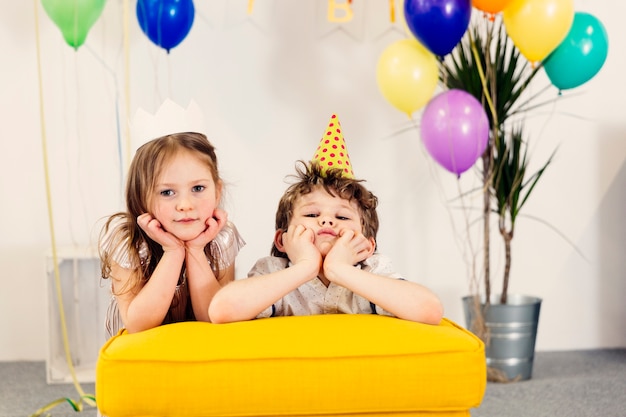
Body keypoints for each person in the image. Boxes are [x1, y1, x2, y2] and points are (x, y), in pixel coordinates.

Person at [209, 115, 442, 325]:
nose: (327, 222)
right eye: (312, 215)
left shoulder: (372, 271)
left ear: (367, 246)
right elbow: (222, 310)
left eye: (341, 216)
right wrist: (305, 267)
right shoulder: (274, 271)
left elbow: (429, 310)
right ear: (282, 239)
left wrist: (339, 269)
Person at [99, 132, 245, 337]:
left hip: (198, 348)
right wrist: (173, 251)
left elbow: (214, 317)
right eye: (167, 192)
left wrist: (195, 249)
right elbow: (138, 326)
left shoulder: (222, 237)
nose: (185, 205)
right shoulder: (127, 241)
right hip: (140, 355)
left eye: (198, 188)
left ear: (217, 191)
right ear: (141, 197)